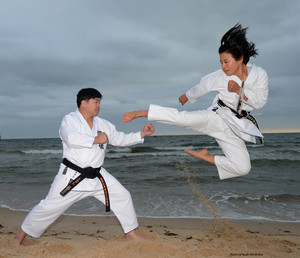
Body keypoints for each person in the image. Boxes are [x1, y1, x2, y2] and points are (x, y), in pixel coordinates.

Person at [122, 24, 268, 180]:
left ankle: (205, 156)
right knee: (181, 118)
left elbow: (260, 103)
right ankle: (142, 113)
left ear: (240, 59)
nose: (223, 66)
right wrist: (188, 96)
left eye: (226, 62)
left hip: (235, 125)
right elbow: (203, 86)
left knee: (243, 167)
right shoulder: (221, 76)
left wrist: (239, 91)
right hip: (217, 116)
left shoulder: (259, 75)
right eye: (221, 62)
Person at [14, 88, 155, 246]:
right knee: (48, 207)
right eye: (96, 101)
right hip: (72, 176)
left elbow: (119, 138)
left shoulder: (103, 124)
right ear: (83, 102)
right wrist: (95, 139)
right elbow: (70, 138)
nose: (99, 105)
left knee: (123, 196)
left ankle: (131, 234)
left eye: (99, 102)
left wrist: (141, 134)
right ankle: (18, 238)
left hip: (97, 175)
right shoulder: (70, 120)